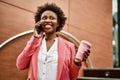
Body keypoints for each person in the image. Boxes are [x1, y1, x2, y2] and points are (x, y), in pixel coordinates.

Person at [16, 3, 90, 80]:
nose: (48, 20)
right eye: (44, 18)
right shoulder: (34, 43)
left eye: (52, 18)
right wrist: (35, 39)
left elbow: (73, 76)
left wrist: (77, 62)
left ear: (58, 23)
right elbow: (20, 65)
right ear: (39, 22)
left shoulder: (69, 46)